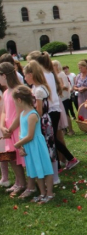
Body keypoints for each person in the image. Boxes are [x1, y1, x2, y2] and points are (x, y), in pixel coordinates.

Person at [27, 51, 79, 172]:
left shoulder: (43, 75)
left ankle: (69, 159)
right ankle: (60, 165)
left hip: (49, 109)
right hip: (53, 107)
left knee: (51, 138)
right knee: (52, 138)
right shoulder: (48, 73)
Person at [13, 85, 55, 204]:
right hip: (28, 147)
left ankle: (50, 193)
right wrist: (21, 146)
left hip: (37, 146)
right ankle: (42, 193)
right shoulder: (22, 114)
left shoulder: (32, 115)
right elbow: (22, 132)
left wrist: (17, 144)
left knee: (45, 168)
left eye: (15, 101)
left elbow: (30, 135)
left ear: (19, 100)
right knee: (36, 170)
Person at [23, 61, 59, 192]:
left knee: (48, 147)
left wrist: (32, 119)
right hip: (42, 120)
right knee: (48, 146)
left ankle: (53, 176)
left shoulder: (38, 90)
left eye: (25, 75)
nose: (25, 78)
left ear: (31, 75)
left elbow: (39, 110)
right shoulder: (36, 88)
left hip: (42, 121)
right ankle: (49, 176)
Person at [0, 62, 25, 197]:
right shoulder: (5, 92)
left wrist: (10, 128)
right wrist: (2, 126)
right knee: (12, 158)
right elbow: (4, 111)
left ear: (3, 75)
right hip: (8, 129)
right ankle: (19, 182)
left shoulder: (18, 90)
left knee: (20, 157)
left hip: (17, 128)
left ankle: (25, 184)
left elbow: (20, 112)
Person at [53, 60, 75, 136]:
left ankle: (71, 130)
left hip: (64, 97)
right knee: (60, 114)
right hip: (58, 97)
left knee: (66, 113)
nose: (53, 67)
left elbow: (66, 86)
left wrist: (58, 88)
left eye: (54, 65)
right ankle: (64, 130)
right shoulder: (54, 75)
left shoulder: (61, 74)